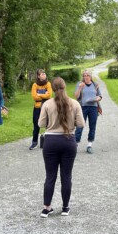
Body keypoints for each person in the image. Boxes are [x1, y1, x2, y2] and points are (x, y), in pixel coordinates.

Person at [38, 77, 84, 218]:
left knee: (50, 176)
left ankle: (46, 208)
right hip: (68, 140)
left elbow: (40, 124)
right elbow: (81, 124)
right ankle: (65, 207)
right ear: (65, 87)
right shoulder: (74, 103)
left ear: (52, 88)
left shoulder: (47, 104)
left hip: (51, 141)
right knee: (66, 176)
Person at [74, 69, 102, 154]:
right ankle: (75, 144)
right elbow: (76, 96)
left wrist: (98, 98)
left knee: (92, 127)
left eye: (87, 75)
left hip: (93, 107)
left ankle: (89, 145)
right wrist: (79, 88)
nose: (86, 77)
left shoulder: (95, 85)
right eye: (84, 75)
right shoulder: (80, 84)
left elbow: (100, 96)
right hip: (83, 107)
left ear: (91, 76)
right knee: (80, 126)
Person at [29, 69, 52, 150]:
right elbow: (34, 97)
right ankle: (34, 143)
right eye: (42, 74)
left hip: (47, 107)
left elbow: (49, 95)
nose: (44, 75)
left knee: (48, 124)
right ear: (38, 76)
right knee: (36, 125)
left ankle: (48, 142)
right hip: (37, 107)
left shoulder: (48, 84)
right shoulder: (35, 85)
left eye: (44, 74)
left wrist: (39, 94)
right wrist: (43, 94)